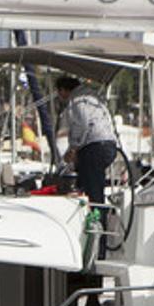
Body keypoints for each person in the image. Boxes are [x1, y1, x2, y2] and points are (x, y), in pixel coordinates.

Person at [56, 75, 119, 207]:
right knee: (89, 181)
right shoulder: (93, 96)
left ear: (63, 90)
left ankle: (97, 219)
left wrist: (73, 148)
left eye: (59, 93)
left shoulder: (77, 100)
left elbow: (83, 124)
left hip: (95, 146)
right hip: (109, 145)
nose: (59, 97)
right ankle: (94, 211)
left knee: (93, 188)